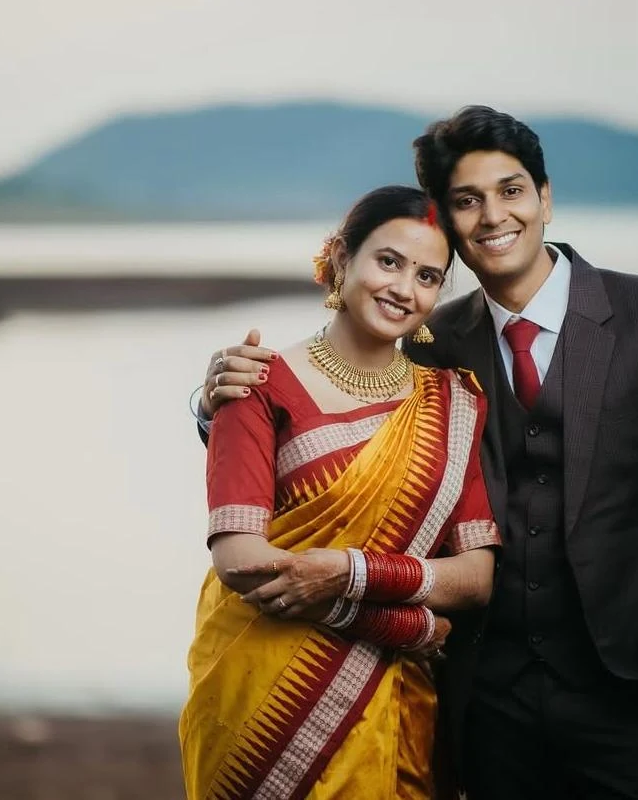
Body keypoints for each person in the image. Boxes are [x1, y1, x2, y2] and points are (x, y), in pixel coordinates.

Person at [199, 107, 638, 799]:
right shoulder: (432, 341)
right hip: (487, 712)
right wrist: (214, 402)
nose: (493, 216)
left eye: (511, 191)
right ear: (448, 224)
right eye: (467, 201)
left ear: (544, 197)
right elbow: (332, 417)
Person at [180, 185, 501, 800]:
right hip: (261, 700)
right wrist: (403, 626)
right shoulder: (255, 384)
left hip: (395, 703)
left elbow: (475, 577)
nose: (404, 288)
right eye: (389, 261)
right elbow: (240, 561)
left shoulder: (454, 404)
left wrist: (348, 573)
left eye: (428, 276)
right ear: (341, 258)